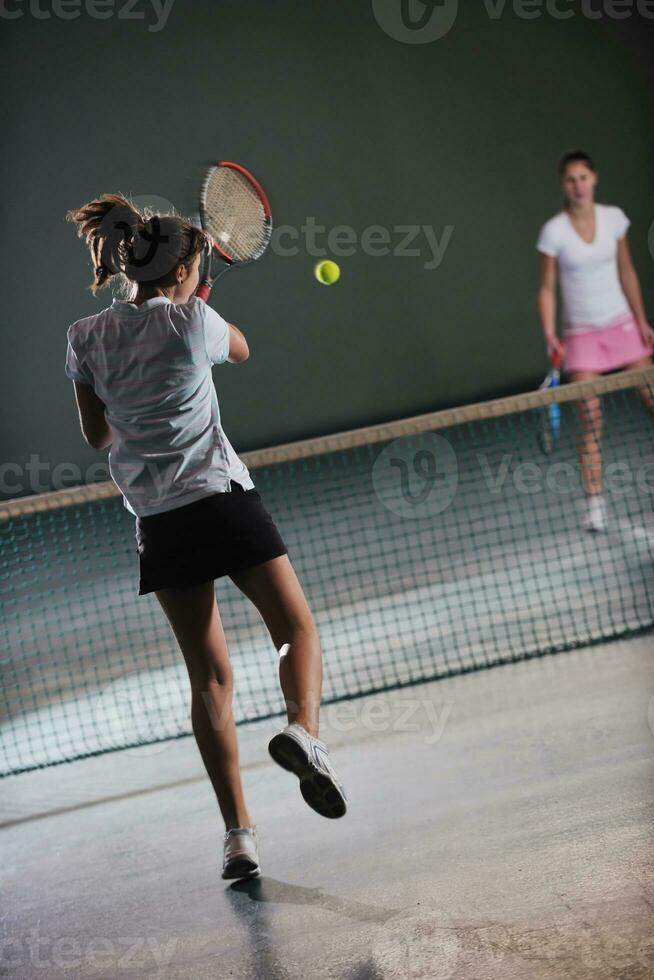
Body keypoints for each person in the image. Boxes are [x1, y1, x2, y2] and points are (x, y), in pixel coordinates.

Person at [65, 194, 347, 880]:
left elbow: (98, 434)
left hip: (161, 525)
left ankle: (238, 839)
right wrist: (201, 303)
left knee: (209, 680)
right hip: (224, 501)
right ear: (188, 272)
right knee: (295, 630)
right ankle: (302, 732)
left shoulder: (84, 337)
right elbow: (243, 350)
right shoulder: (199, 321)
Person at [536, 150, 654, 531]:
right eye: (570, 179)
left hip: (621, 326)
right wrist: (550, 332)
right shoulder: (554, 231)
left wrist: (641, 321)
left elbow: (627, 270)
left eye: (583, 177)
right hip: (582, 337)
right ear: (563, 185)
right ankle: (595, 506)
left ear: (594, 179)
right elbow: (546, 288)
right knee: (590, 418)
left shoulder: (614, 218)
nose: (578, 185)